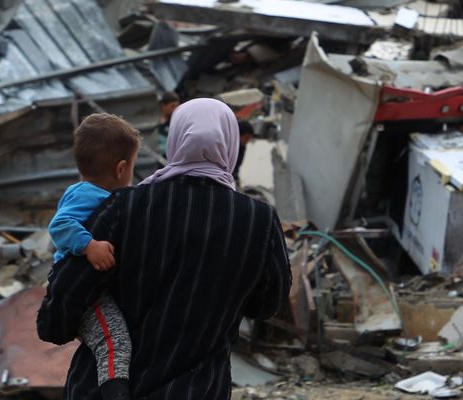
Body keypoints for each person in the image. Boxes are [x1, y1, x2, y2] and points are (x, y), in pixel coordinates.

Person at [38, 98, 292, 399]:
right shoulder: (258, 221)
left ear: (176, 139)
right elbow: (267, 304)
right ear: (231, 144)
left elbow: (60, 309)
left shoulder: (124, 206)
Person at [48, 113, 141, 399]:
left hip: (96, 291)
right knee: (114, 342)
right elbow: (59, 225)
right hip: (86, 296)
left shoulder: (95, 193)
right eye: (132, 169)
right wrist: (89, 245)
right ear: (121, 168)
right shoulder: (87, 195)